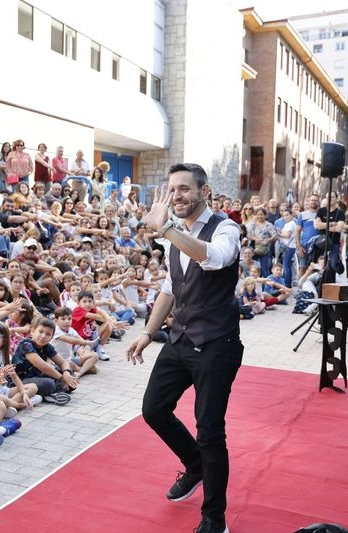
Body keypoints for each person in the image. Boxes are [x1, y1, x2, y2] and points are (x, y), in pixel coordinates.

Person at [125, 163, 243, 533]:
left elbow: (212, 257)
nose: (176, 196)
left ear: (204, 192)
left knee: (210, 430)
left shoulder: (226, 228)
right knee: (154, 410)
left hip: (217, 345)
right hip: (180, 341)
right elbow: (171, 287)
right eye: (172, 189)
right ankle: (195, 466)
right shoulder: (173, 234)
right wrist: (148, 331)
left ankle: (214, 519)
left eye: (184, 189)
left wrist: (167, 229)